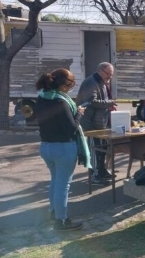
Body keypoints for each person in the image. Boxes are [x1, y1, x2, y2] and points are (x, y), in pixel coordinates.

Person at [34, 68, 89, 231]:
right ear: (65, 85)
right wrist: (79, 113)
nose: (71, 90)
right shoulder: (61, 101)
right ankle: (61, 221)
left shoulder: (42, 97)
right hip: (63, 148)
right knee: (62, 185)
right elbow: (71, 128)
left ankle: (53, 211)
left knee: (55, 181)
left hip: (46, 147)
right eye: (71, 86)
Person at [76, 62, 117, 186]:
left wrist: (108, 104)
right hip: (90, 123)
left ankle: (102, 170)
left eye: (111, 75)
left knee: (102, 148)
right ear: (100, 71)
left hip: (99, 122)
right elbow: (91, 101)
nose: (109, 77)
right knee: (94, 150)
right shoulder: (91, 82)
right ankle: (94, 176)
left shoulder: (101, 81)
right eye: (108, 74)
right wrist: (109, 103)